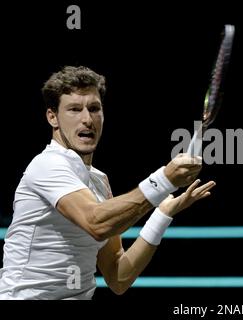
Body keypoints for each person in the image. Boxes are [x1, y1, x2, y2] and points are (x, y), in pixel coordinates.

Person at [0, 66, 215, 299]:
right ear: (53, 117)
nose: (87, 119)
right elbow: (96, 223)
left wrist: (162, 213)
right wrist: (164, 180)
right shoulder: (47, 165)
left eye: (94, 109)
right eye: (74, 109)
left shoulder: (98, 181)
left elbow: (118, 276)